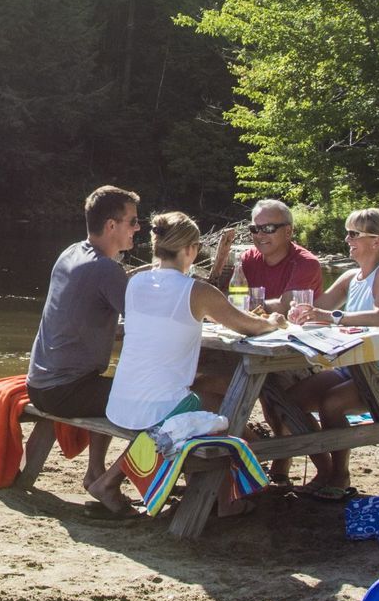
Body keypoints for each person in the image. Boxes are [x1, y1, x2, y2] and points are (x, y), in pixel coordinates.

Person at [87, 212, 282, 513]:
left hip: (121, 402)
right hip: (157, 410)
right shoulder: (196, 290)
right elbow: (248, 327)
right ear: (191, 250)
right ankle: (223, 500)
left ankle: (219, 493)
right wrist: (274, 322)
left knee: (212, 398)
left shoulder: (136, 282)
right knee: (224, 410)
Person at [276, 207, 379, 499]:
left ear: (376, 241)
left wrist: (329, 316)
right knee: (289, 401)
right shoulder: (351, 276)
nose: (347, 239)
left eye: (353, 234)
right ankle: (325, 467)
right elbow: (319, 307)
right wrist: (300, 311)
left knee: (332, 403)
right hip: (352, 368)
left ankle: (340, 474)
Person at [17, 185, 140, 494]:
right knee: (148, 407)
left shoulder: (71, 253)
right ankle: (109, 483)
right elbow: (145, 325)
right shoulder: (107, 270)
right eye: (133, 221)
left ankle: (95, 472)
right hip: (65, 390)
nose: (138, 228)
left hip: (41, 383)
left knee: (109, 385)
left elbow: (89, 315)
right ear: (112, 225)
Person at [209, 199, 323, 313]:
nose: (260, 234)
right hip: (254, 327)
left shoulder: (306, 263)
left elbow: (287, 307)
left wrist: (239, 304)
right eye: (255, 229)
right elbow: (229, 295)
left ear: (288, 231)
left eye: (268, 228)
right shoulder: (248, 259)